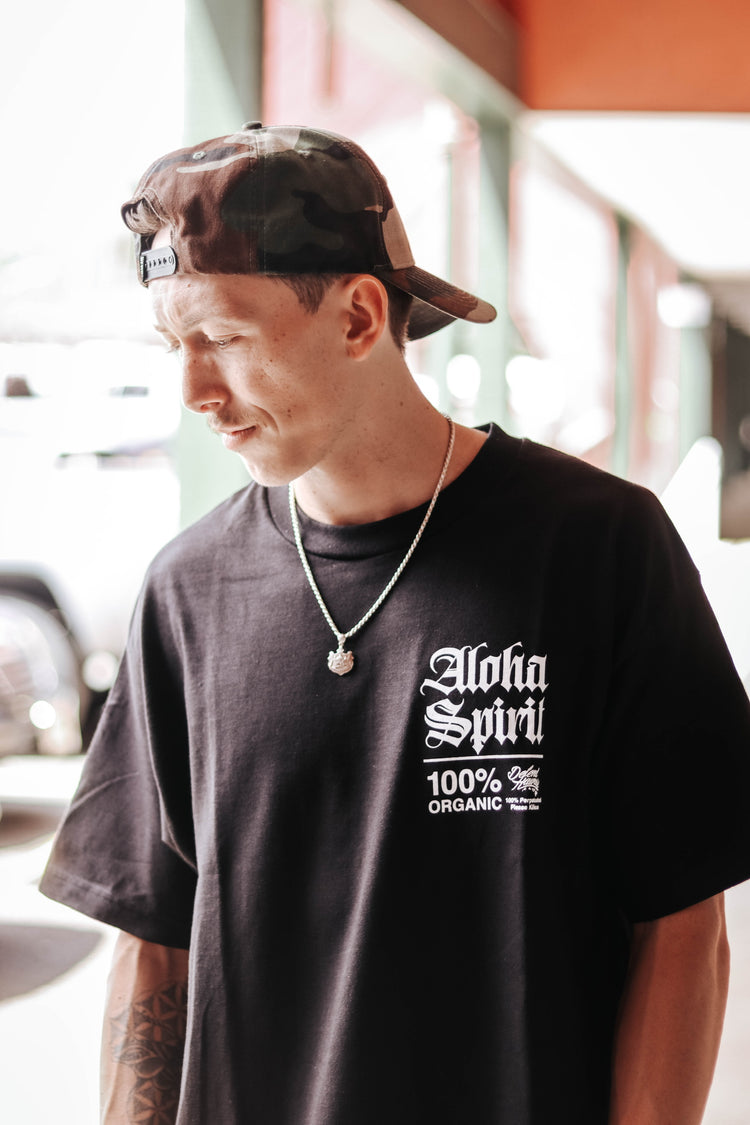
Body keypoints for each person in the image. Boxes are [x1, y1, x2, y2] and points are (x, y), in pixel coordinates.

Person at [41, 122, 750, 1125]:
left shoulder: (598, 550)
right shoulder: (189, 590)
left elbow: (679, 926)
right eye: (174, 346)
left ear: (360, 316)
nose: (193, 391)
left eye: (225, 339)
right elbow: (153, 941)